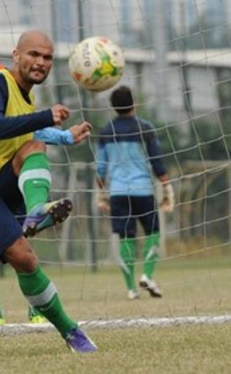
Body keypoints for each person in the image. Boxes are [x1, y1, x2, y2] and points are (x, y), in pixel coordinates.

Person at [0, 30, 96, 352]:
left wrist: (65, 137)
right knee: (24, 258)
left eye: (47, 57)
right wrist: (44, 115)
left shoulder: (25, 95)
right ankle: (70, 331)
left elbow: (27, 128)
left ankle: (37, 211)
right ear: (16, 55)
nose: (40, 62)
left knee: (32, 145)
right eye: (34, 55)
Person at [95, 85, 175, 300]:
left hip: (118, 192)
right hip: (142, 190)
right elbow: (157, 161)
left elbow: (100, 167)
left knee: (125, 237)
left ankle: (131, 288)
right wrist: (167, 187)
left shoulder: (105, 132)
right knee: (153, 232)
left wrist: (100, 192)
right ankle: (147, 275)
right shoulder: (146, 128)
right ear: (134, 103)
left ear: (113, 106)